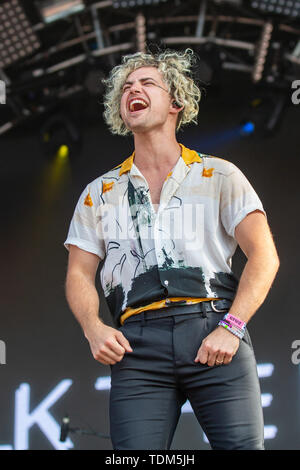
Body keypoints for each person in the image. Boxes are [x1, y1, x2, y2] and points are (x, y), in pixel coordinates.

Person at [64, 48, 280, 450]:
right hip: (138, 344)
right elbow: (78, 273)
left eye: (147, 83)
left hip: (212, 325)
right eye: (126, 87)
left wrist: (232, 327)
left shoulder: (219, 174)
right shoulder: (99, 193)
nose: (133, 90)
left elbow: (264, 255)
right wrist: (93, 328)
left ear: (176, 103)